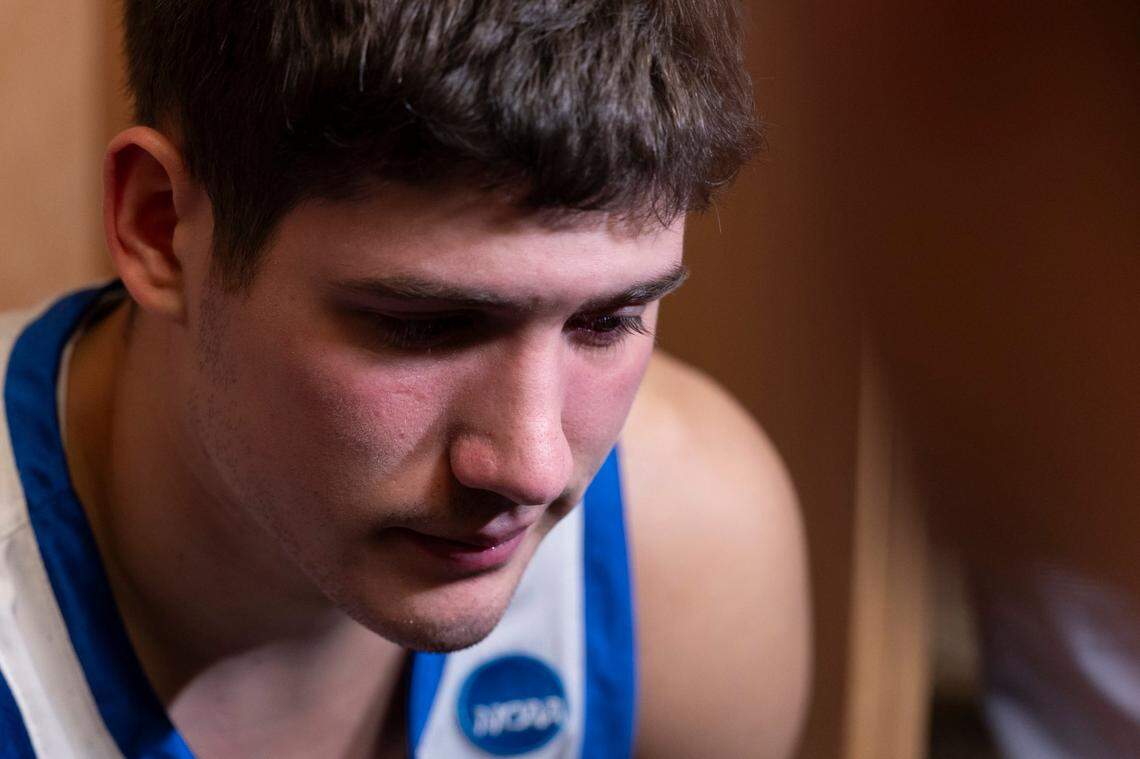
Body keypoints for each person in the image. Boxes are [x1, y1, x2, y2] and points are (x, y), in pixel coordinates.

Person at [0, 1, 810, 757]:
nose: (535, 465)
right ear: (160, 227)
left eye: (606, 320)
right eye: (423, 326)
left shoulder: (681, 553)